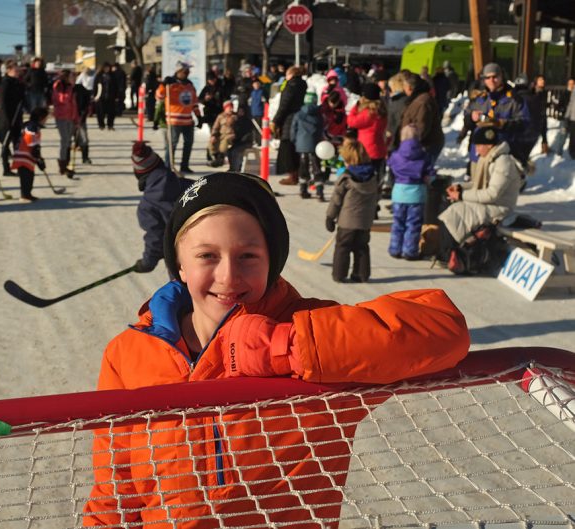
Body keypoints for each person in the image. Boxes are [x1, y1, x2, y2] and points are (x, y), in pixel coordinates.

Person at [82, 171, 470, 527]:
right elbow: (116, 489)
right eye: (207, 256)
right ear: (180, 265)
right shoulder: (128, 354)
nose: (228, 276)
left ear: (272, 261)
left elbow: (442, 326)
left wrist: (282, 346)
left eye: (248, 255)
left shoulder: (308, 330)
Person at [437, 126, 524, 264]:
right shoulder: (488, 159)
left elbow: (492, 194)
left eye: (479, 146)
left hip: (500, 208)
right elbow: (477, 183)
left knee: (457, 211)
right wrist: (460, 187)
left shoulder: (503, 163)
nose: (476, 150)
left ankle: (452, 255)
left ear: (489, 145)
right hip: (489, 204)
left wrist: (461, 196)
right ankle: (447, 251)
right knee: (450, 206)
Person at [130, 141, 192, 273]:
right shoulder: (189, 186)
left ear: (139, 174)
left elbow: (156, 237)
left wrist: (147, 262)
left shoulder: (147, 206)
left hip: (179, 262)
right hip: (207, 251)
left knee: (183, 292)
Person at [325, 139, 379, 283]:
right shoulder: (373, 177)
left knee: (343, 247)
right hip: (364, 221)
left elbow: (336, 199)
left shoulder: (346, 178)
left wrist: (330, 217)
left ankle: (339, 274)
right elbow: (376, 197)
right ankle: (361, 274)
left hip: (347, 222)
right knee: (362, 247)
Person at [387, 125, 432, 260]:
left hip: (399, 192)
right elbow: (429, 174)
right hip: (416, 193)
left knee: (397, 222)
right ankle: (410, 250)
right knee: (413, 224)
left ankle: (395, 248)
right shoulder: (424, 155)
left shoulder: (395, 155)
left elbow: (390, 166)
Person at [155, 62, 203, 173]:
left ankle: (184, 165)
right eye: (185, 72)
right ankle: (168, 166)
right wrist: (163, 84)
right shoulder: (170, 85)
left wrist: (199, 117)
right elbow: (159, 96)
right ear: (178, 72)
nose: (187, 74)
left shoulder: (190, 85)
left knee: (188, 143)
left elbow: (194, 103)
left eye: (188, 72)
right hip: (174, 120)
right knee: (172, 145)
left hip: (188, 121)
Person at [272, 66, 307, 185]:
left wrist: (276, 120)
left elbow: (284, 104)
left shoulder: (291, 85)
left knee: (287, 148)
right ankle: (296, 173)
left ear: (291, 74)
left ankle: (292, 175)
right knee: (294, 148)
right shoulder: (302, 84)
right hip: (298, 118)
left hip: (289, 119)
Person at [347, 83, 388, 178]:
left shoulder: (369, 113)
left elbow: (351, 121)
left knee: (366, 178)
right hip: (379, 148)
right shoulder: (381, 110)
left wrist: (356, 107)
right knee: (375, 177)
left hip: (367, 150)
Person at [11, 107, 49, 203]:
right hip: (23, 155)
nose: (46, 121)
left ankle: (27, 193)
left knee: (30, 175)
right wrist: (36, 150)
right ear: (41, 118)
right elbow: (29, 138)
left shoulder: (32, 125)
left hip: (27, 155)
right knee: (26, 176)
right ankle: (24, 195)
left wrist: (38, 157)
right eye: (45, 118)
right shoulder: (31, 126)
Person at [291, 97, 324, 200]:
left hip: (301, 145)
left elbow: (293, 130)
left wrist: (295, 141)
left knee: (303, 168)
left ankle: (303, 190)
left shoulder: (298, 114)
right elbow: (322, 129)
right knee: (316, 168)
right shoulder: (319, 115)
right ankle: (319, 191)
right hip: (315, 145)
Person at [51, 69, 79, 178]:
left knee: (68, 141)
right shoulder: (58, 86)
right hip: (61, 116)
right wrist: (69, 91)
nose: (73, 79)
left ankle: (65, 162)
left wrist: (76, 118)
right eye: (71, 77)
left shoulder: (71, 88)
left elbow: (74, 104)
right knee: (64, 140)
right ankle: (62, 164)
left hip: (70, 116)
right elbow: (61, 100)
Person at [0, 60, 26, 176]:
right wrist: (8, 120)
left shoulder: (17, 82)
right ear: (9, 70)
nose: (18, 72)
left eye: (18, 70)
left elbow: (21, 98)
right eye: (16, 70)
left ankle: (19, 165)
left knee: (18, 143)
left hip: (17, 116)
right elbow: (4, 103)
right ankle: (6, 168)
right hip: (8, 118)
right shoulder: (5, 83)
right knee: (6, 144)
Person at [208, 100, 235, 167]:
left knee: (224, 143)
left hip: (231, 135)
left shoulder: (235, 116)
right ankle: (217, 158)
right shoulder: (220, 116)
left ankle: (221, 158)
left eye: (231, 107)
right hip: (221, 135)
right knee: (212, 143)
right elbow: (215, 127)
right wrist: (213, 135)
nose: (231, 109)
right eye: (229, 107)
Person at [92, 62, 117, 131]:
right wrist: (94, 95)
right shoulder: (99, 76)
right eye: (105, 67)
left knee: (111, 112)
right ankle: (101, 125)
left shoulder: (112, 76)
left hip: (110, 96)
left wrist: (117, 95)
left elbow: (116, 86)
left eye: (108, 67)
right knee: (100, 112)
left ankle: (110, 125)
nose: (107, 69)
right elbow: (95, 86)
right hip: (100, 96)